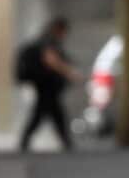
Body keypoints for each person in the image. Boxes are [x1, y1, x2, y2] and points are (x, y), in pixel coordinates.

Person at [19, 17, 84, 152]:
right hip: (46, 83)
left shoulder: (45, 40)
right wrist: (70, 73)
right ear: (58, 29)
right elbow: (51, 60)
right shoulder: (48, 41)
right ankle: (64, 142)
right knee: (46, 112)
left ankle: (65, 141)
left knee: (50, 112)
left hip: (46, 84)